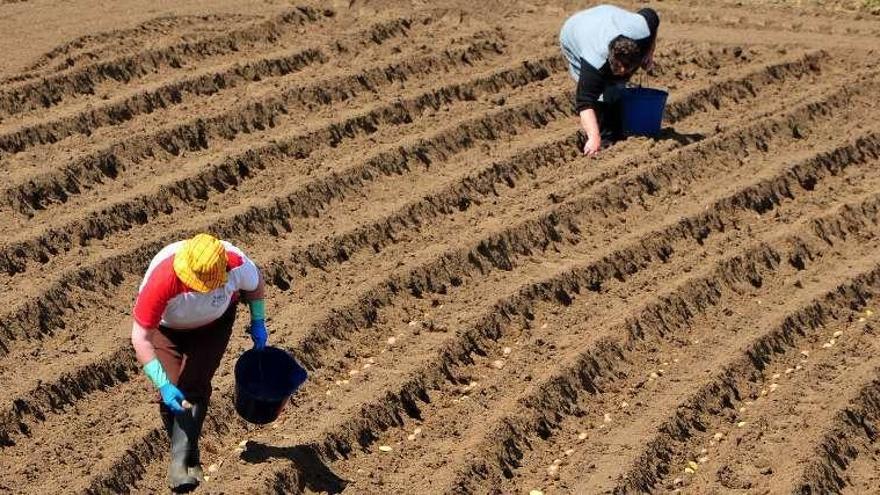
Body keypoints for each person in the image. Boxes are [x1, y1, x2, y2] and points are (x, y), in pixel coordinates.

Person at [131, 233, 269, 492]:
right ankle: (188, 457)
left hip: (213, 326)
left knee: (194, 383)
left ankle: (180, 464)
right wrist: (162, 384)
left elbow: (256, 286)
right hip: (166, 329)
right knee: (172, 386)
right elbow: (140, 337)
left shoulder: (236, 263)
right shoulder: (164, 278)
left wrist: (258, 321)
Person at [559, 4, 660, 156]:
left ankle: (619, 121)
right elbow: (584, 102)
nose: (622, 72)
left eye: (628, 68)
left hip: (609, 16)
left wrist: (650, 53)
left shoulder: (642, 32)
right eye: (618, 67)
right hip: (575, 31)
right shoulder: (594, 61)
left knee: (615, 86)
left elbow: (652, 14)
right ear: (611, 56)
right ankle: (605, 137)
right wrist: (594, 138)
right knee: (600, 93)